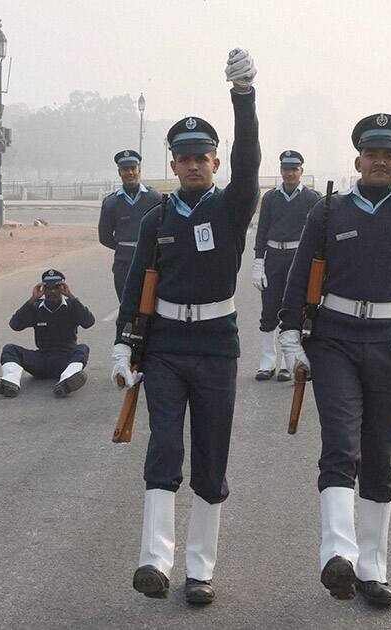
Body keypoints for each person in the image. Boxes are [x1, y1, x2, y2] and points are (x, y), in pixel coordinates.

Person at [278, 53, 391, 607]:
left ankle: (372, 570)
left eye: (389, 154)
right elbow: (302, 273)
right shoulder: (330, 211)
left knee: (380, 452)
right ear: (358, 158)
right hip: (337, 339)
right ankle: (337, 554)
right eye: (371, 153)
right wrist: (290, 331)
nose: (379, 160)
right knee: (340, 444)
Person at [111, 48, 260, 605]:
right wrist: (124, 346)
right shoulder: (156, 219)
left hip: (218, 345)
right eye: (184, 156)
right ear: (171, 164)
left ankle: (200, 571)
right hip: (167, 346)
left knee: (211, 456)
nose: (194, 164)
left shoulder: (233, 207)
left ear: (216, 163)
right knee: (164, 448)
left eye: (203, 156)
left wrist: (243, 97)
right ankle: (154, 560)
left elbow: (251, 160)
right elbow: (134, 287)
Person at [252, 150, 320, 381]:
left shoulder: (312, 198)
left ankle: (286, 361)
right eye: (286, 169)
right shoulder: (270, 198)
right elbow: (261, 231)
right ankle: (267, 361)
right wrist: (258, 262)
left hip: (297, 258)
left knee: (293, 310)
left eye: (294, 169)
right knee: (269, 309)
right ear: (280, 170)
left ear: (301, 171)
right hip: (274, 257)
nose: (289, 173)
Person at [0, 269, 94, 398]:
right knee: (10, 349)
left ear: (62, 288)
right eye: (48, 288)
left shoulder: (71, 306)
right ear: (43, 289)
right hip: (41, 360)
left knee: (82, 349)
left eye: (56, 287)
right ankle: (10, 383)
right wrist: (32, 300)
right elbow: (15, 325)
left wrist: (72, 297)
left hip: (65, 360)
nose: (52, 292)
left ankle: (66, 381)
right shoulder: (35, 307)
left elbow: (88, 322)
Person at [99, 150, 164, 301]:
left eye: (133, 168)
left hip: (151, 261)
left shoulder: (155, 198)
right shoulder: (111, 203)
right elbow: (104, 237)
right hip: (124, 264)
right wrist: (125, 247)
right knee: (127, 305)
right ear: (119, 172)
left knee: (154, 306)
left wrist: (147, 247)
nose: (129, 173)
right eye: (125, 169)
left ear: (139, 169)